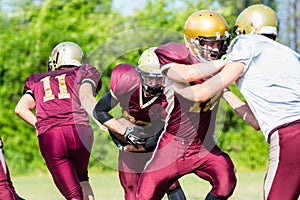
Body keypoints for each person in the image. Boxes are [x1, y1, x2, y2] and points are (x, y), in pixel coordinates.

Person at [162, 4, 300, 200]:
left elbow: (201, 93)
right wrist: (225, 92)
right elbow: (256, 123)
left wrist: (178, 86)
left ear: (245, 28)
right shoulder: (290, 54)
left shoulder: (246, 43)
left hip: (291, 135)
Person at [136, 10, 259, 200]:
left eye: (219, 43)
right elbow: (187, 75)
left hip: (204, 145)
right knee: (144, 195)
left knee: (226, 180)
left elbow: (228, 95)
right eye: (209, 42)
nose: (215, 48)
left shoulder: (219, 68)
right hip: (173, 145)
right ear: (192, 42)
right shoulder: (176, 59)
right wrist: (223, 64)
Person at [93, 47, 186, 200]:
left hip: (157, 138)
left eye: (158, 79)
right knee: (131, 188)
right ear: (140, 74)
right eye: (150, 78)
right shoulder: (127, 82)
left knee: (170, 183)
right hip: (130, 139)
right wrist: (124, 134)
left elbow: (174, 125)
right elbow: (100, 110)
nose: (154, 83)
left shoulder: (169, 92)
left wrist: (152, 141)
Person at [15, 41, 101, 200]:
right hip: (81, 131)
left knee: (74, 195)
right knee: (82, 177)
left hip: (52, 136)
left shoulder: (36, 80)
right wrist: (104, 122)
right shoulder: (83, 72)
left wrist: (39, 125)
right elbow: (87, 97)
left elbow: (20, 109)